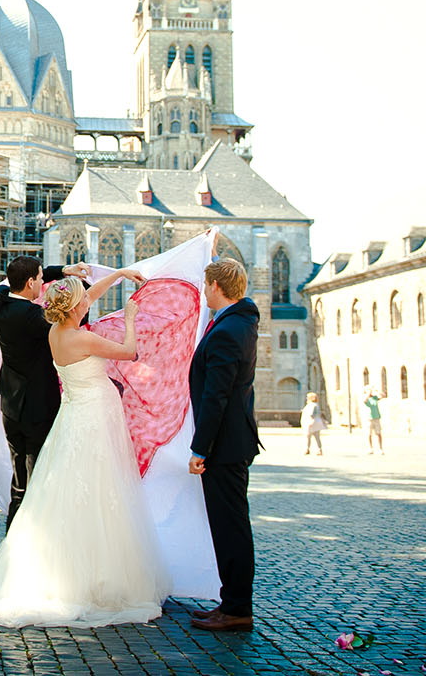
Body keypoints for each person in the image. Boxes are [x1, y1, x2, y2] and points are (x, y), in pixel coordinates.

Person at [0, 275, 168, 626]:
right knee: (100, 490)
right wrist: (129, 317)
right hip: (94, 421)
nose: (87, 303)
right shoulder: (82, 337)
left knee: (68, 493)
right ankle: (95, 575)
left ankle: (77, 568)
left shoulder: (56, 332)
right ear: (76, 307)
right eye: (84, 300)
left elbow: (82, 299)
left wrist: (116, 277)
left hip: (75, 419)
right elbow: (129, 352)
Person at [187, 257, 261, 633]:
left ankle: (236, 608)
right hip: (231, 442)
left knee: (230, 526)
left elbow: (216, 396)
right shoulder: (236, 322)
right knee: (229, 524)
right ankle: (231, 601)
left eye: (205, 284)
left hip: (224, 446)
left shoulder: (230, 330)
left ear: (217, 287)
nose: (203, 290)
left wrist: (200, 449)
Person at [0, 257, 94, 520]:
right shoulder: (36, 317)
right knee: (38, 480)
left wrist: (61, 271)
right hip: (38, 405)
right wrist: (81, 284)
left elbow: (17, 280)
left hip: (10, 406)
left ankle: (11, 540)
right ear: (30, 282)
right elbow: (75, 321)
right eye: (40, 277)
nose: (43, 281)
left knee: (19, 480)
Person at [301, 391, 325, 455]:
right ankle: (319, 449)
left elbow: (312, 414)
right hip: (315, 422)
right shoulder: (315, 405)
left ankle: (307, 449)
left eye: (307, 397)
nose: (306, 398)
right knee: (317, 437)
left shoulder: (312, 405)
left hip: (311, 422)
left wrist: (311, 422)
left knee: (308, 436)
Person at [363, 387, 384, 454]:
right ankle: (370, 448)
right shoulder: (367, 399)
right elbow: (364, 401)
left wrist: (377, 391)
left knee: (378, 433)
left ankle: (380, 448)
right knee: (369, 434)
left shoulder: (374, 398)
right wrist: (368, 393)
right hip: (369, 418)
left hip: (376, 417)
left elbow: (382, 396)